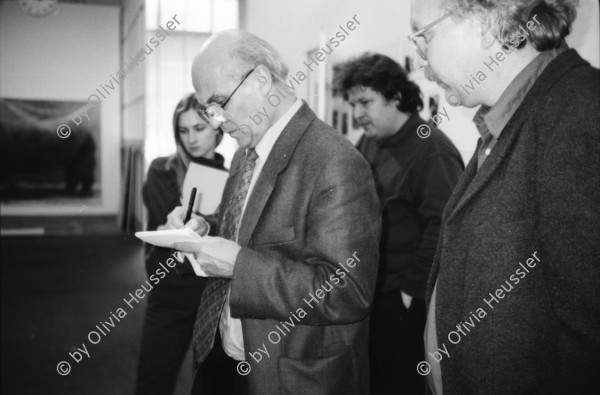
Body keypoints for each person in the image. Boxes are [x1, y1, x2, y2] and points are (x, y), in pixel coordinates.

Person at [164, 30, 381, 395]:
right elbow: (249, 230)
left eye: (219, 104)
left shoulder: (334, 162)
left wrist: (238, 265)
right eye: (207, 111)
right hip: (225, 357)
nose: (216, 121)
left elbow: (345, 292)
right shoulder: (245, 151)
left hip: (290, 377)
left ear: (262, 80)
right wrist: (202, 230)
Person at [409, 0, 600, 393]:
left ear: (482, 23)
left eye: (424, 35)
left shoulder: (581, 112)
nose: (419, 56)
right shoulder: (509, 118)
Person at [333, 53, 464, 395]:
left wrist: (409, 292)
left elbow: (446, 226)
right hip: (372, 290)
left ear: (395, 96)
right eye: (352, 104)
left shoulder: (431, 149)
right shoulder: (372, 141)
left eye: (365, 101)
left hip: (405, 298)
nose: (357, 113)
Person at [134, 93, 225, 395]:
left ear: (217, 127)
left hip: (211, 295)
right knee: (153, 383)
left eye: (199, 128)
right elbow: (170, 226)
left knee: (211, 384)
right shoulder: (162, 170)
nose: (191, 139)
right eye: (183, 131)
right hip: (170, 293)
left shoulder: (231, 176)